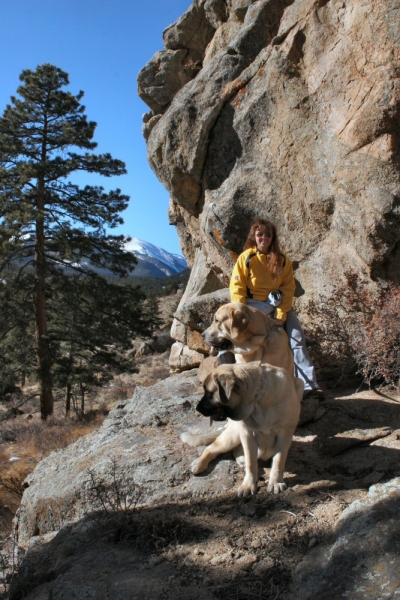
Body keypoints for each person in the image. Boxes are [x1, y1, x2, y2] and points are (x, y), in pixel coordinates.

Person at [227, 217, 325, 400]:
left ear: (273, 238)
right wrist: (241, 312)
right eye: (260, 234)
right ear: (254, 237)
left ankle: (310, 386)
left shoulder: (282, 261)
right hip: (253, 305)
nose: (264, 238)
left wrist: (280, 314)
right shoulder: (246, 258)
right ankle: (237, 386)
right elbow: (237, 287)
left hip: (278, 305)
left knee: (296, 338)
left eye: (268, 235)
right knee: (237, 340)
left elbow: (288, 288)